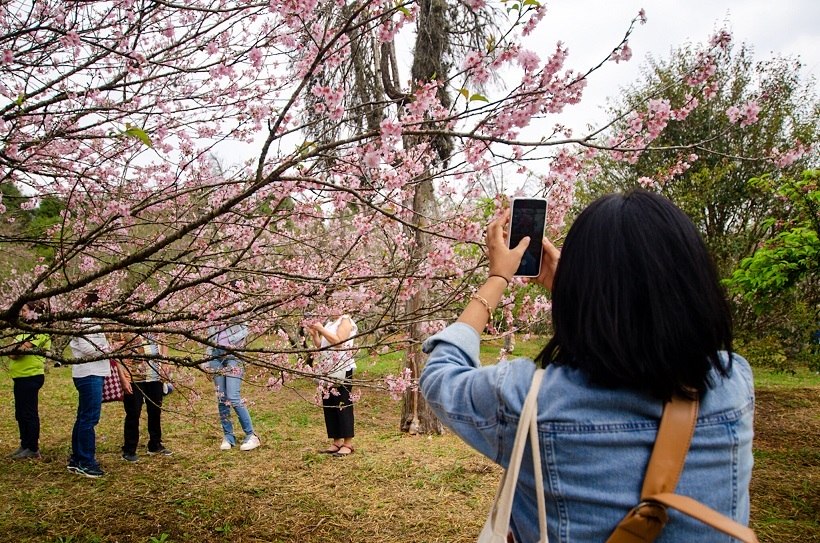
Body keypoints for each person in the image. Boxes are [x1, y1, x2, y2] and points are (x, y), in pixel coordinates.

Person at [420, 190, 754, 542]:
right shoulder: (734, 383)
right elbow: (650, 322)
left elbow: (442, 374)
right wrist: (580, 291)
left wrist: (498, 278)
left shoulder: (532, 399)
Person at [68, 290, 132, 478]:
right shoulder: (86, 321)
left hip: (91, 372)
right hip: (89, 374)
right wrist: (111, 349)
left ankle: (77, 459)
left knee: (83, 417)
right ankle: (86, 461)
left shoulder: (90, 320)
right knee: (89, 418)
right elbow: (88, 349)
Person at [308, 311, 358, 457]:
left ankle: (348, 443)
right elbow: (322, 346)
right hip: (327, 369)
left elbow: (339, 342)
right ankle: (336, 441)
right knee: (329, 404)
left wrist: (321, 329)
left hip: (342, 368)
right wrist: (315, 335)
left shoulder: (345, 321)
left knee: (343, 404)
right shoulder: (330, 323)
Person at [117, 333, 173, 462]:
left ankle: (155, 444)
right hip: (133, 376)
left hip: (155, 374)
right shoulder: (125, 326)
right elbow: (117, 350)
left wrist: (164, 362)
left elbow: (164, 341)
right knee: (133, 412)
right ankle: (129, 449)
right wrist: (122, 375)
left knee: (155, 409)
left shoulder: (157, 324)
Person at [7, 301, 51, 460]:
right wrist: (15, 349)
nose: (21, 313)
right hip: (19, 376)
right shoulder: (23, 330)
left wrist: (16, 349)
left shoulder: (39, 331)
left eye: (24, 310)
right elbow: (13, 350)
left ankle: (33, 447)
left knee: (29, 412)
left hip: (31, 376)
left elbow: (17, 352)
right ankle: (24, 444)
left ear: (34, 312)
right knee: (20, 413)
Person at [207, 319, 260, 451]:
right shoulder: (212, 305)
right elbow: (208, 334)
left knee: (233, 396)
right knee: (222, 397)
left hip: (233, 354)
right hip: (215, 355)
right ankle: (228, 436)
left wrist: (230, 342)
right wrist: (207, 361)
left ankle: (251, 435)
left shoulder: (236, 303)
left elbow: (247, 328)